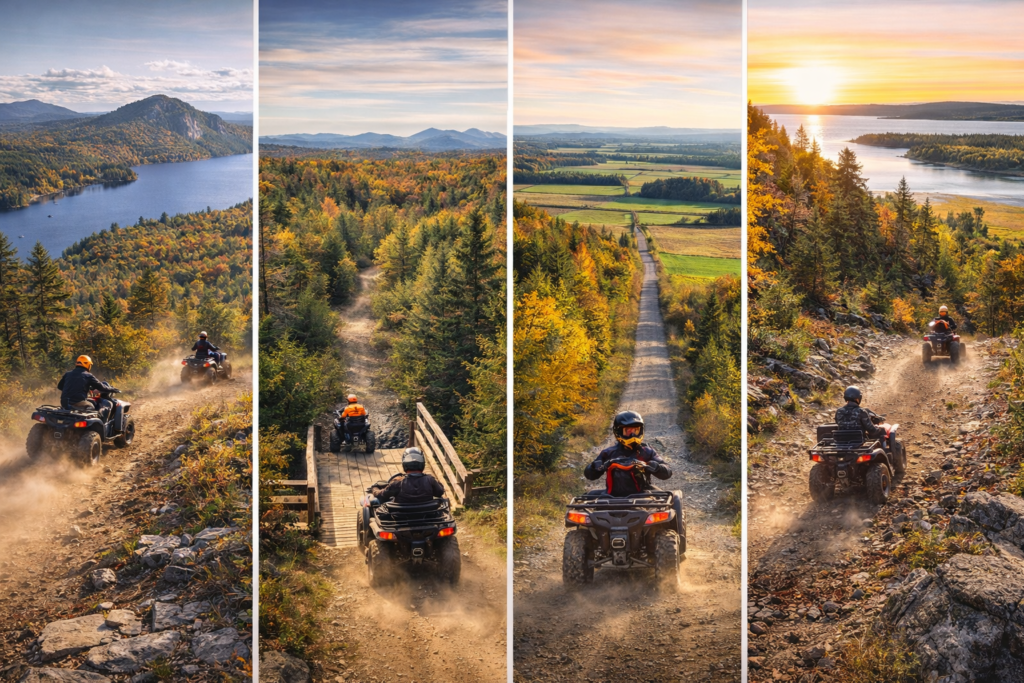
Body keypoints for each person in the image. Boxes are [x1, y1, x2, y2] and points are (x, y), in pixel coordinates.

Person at [584, 410, 672, 496]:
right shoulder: (608, 453)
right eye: (628, 431)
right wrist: (595, 466)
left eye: (635, 430)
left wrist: (652, 465)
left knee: (672, 498)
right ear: (618, 432)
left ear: (641, 431)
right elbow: (590, 475)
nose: (632, 435)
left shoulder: (647, 451)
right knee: (585, 497)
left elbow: (667, 472)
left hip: (643, 496)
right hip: (612, 497)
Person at [372, 448, 446, 505]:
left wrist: (375, 488)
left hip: (401, 517)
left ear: (404, 464)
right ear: (422, 463)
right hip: (426, 515)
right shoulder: (430, 480)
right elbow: (439, 492)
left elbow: (382, 495)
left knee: (373, 500)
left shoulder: (397, 482)